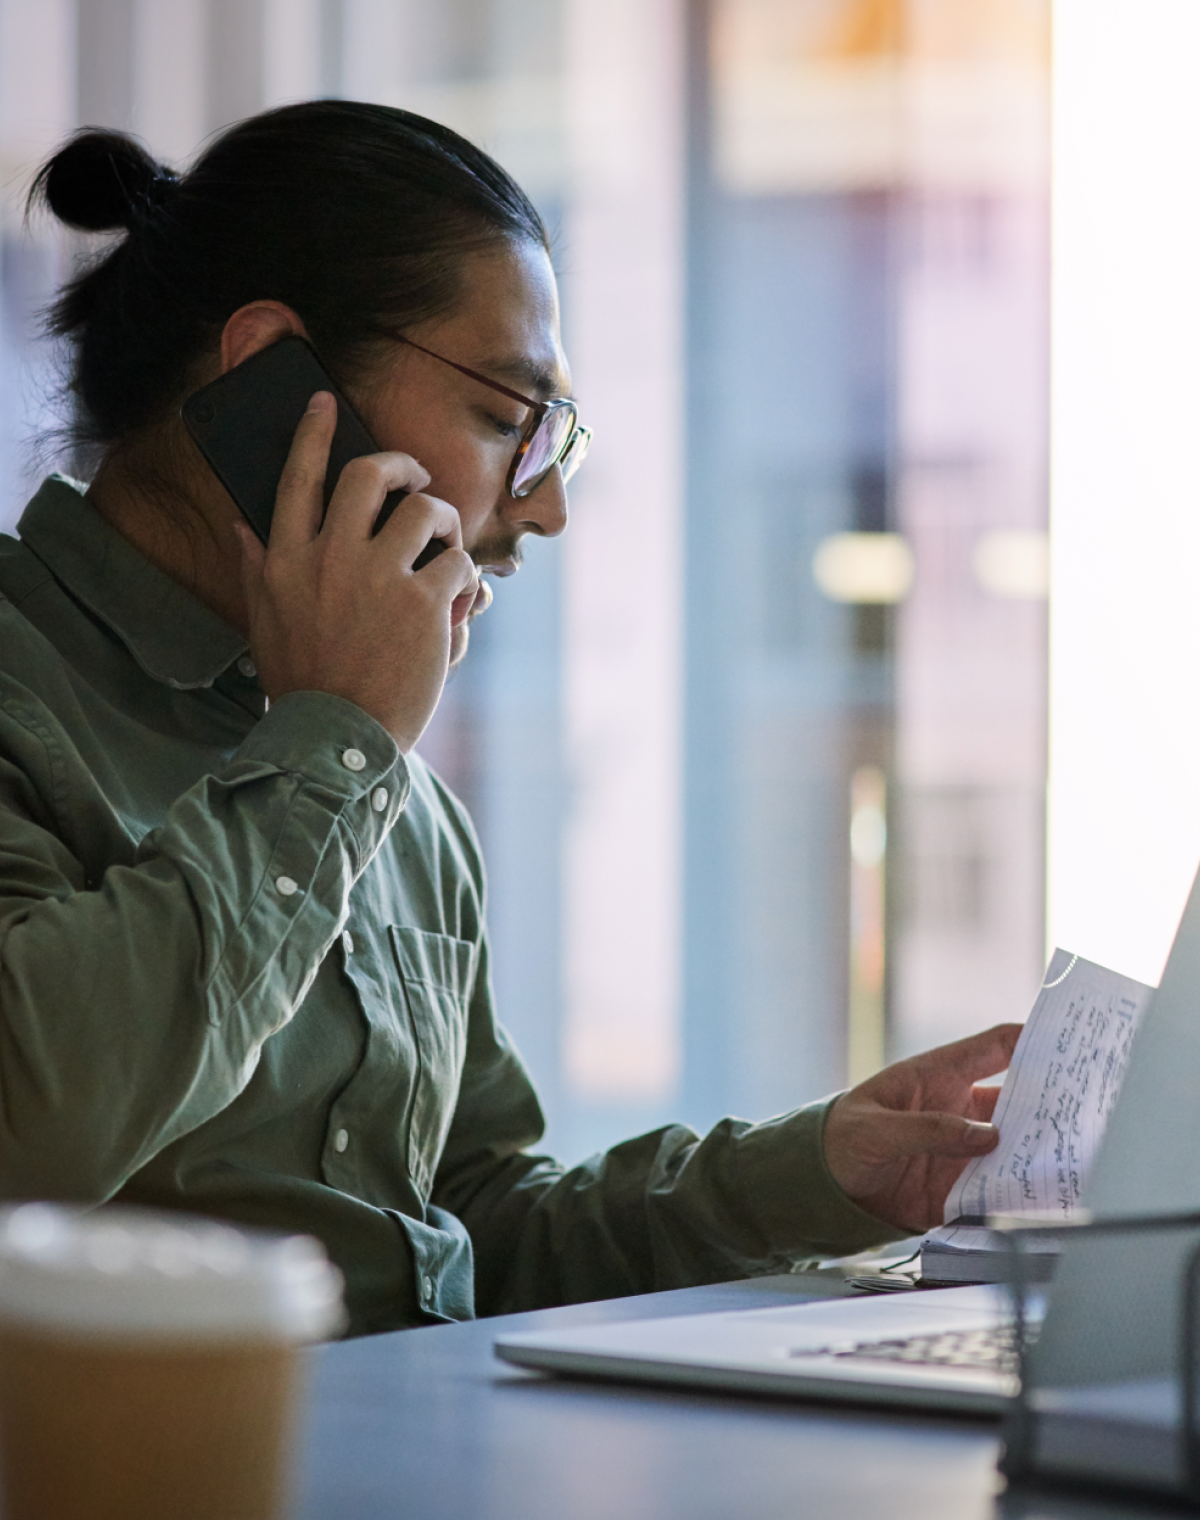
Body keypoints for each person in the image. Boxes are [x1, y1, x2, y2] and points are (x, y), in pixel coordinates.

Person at [0, 102, 1019, 1336]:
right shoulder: (287, 737)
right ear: (269, 372)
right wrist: (331, 735)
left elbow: (469, 1228)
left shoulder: (393, 793)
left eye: (556, 446)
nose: (541, 513)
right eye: (506, 419)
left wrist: (819, 1170)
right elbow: (30, 1121)